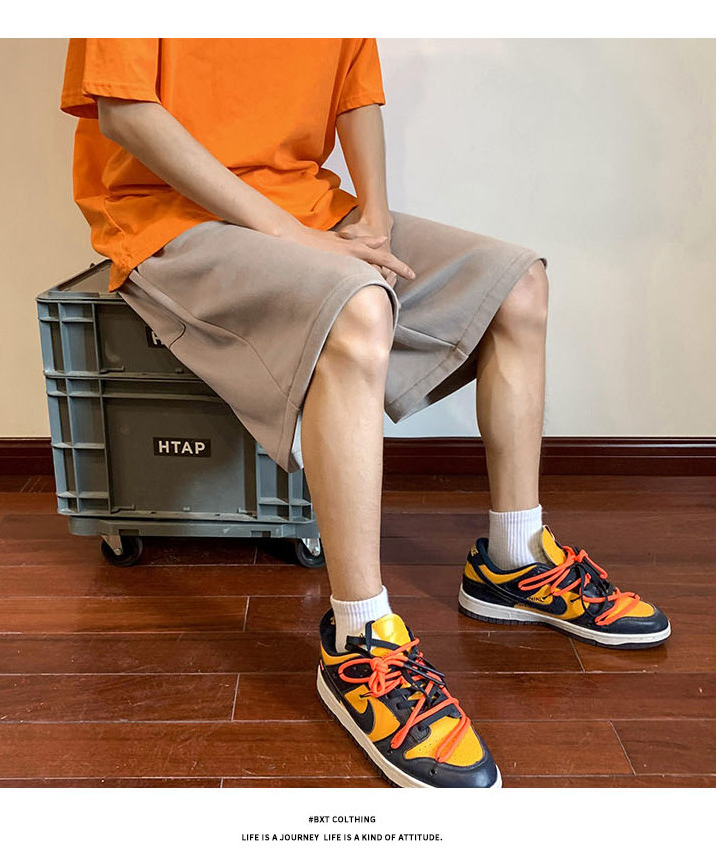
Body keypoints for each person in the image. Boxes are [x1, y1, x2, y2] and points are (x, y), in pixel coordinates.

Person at [60, 38, 671, 788]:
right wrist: (294, 239)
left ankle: (514, 559)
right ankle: (360, 638)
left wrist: (371, 225)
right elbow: (125, 112)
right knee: (358, 306)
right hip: (168, 219)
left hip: (310, 207)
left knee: (520, 285)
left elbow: (356, 95)